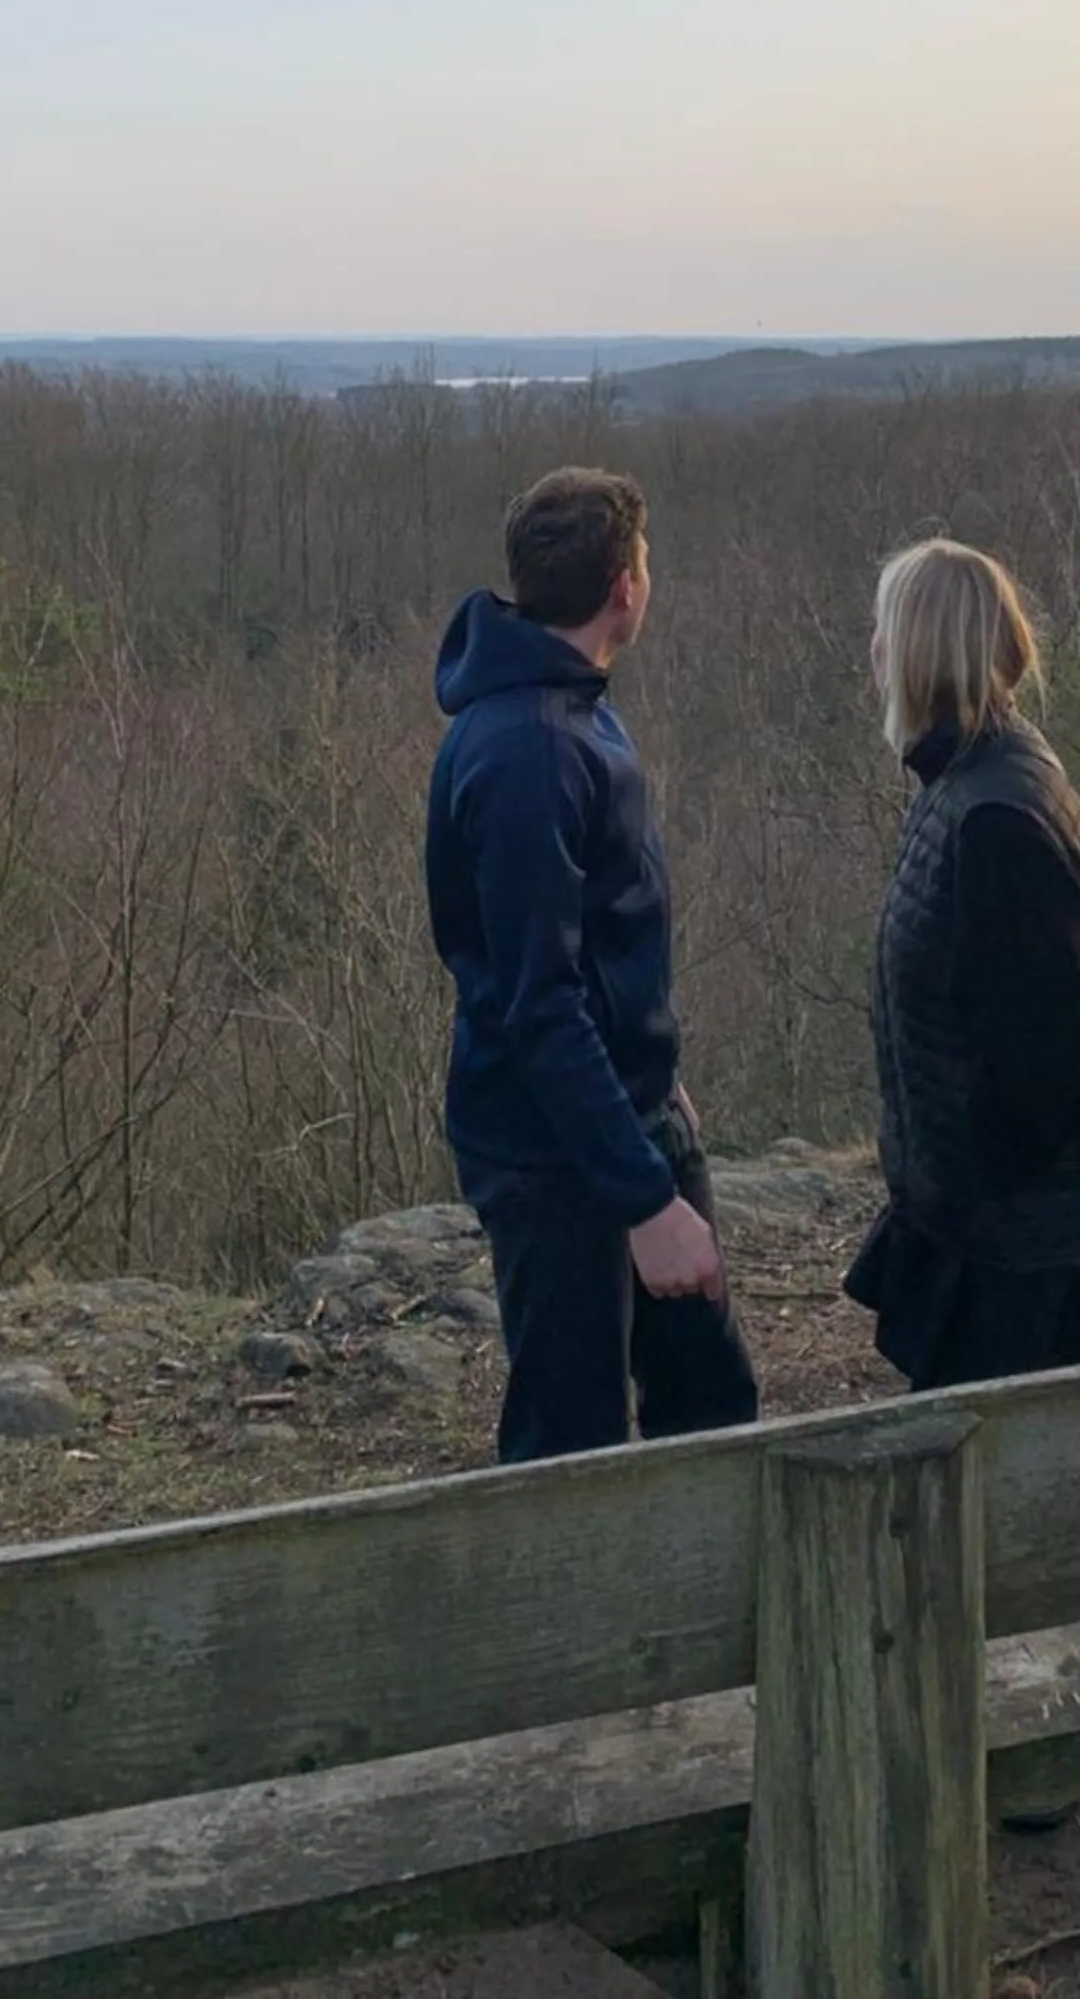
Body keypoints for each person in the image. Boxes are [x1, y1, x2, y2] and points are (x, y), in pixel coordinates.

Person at [425, 465, 759, 1464]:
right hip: (551, 1156)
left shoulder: (570, 711)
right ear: (625, 585)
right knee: (573, 1447)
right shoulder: (527, 749)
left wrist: (659, 1083)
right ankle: (570, 1624)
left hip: (625, 1120)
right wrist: (644, 1204)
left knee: (709, 1403)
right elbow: (539, 1005)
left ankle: (700, 1623)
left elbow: (601, 942)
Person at [846, 536, 1080, 1392]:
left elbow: (1058, 1069)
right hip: (1009, 1242)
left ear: (918, 651)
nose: (872, 651)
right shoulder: (972, 782)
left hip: (1030, 1272)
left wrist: (977, 1187)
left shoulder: (997, 820)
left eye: (884, 630)